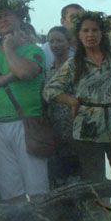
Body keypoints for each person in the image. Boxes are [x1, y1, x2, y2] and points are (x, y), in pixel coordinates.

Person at [43, 12, 111, 184]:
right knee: (94, 180)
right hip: (87, 128)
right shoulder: (74, 63)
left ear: (101, 33)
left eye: (95, 30)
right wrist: (72, 101)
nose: (90, 35)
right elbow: (49, 90)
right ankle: (98, 211)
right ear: (79, 35)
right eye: (85, 31)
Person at [0, 0, 50, 202]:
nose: (3, 20)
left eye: (7, 15)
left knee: (37, 187)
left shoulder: (32, 49)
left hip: (27, 121)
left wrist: (8, 48)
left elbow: (25, 72)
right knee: (10, 188)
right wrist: (8, 76)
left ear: (18, 18)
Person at [43, 26, 79, 187]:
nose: (55, 45)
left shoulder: (76, 66)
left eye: (59, 40)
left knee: (77, 174)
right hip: (54, 130)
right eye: (51, 41)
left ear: (68, 43)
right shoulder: (47, 70)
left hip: (75, 127)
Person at [42, 3, 84, 67]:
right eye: (73, 17)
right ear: (62, 21)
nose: (78, 21)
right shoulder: (46, 49)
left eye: (82, 18)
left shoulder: (90, 46)